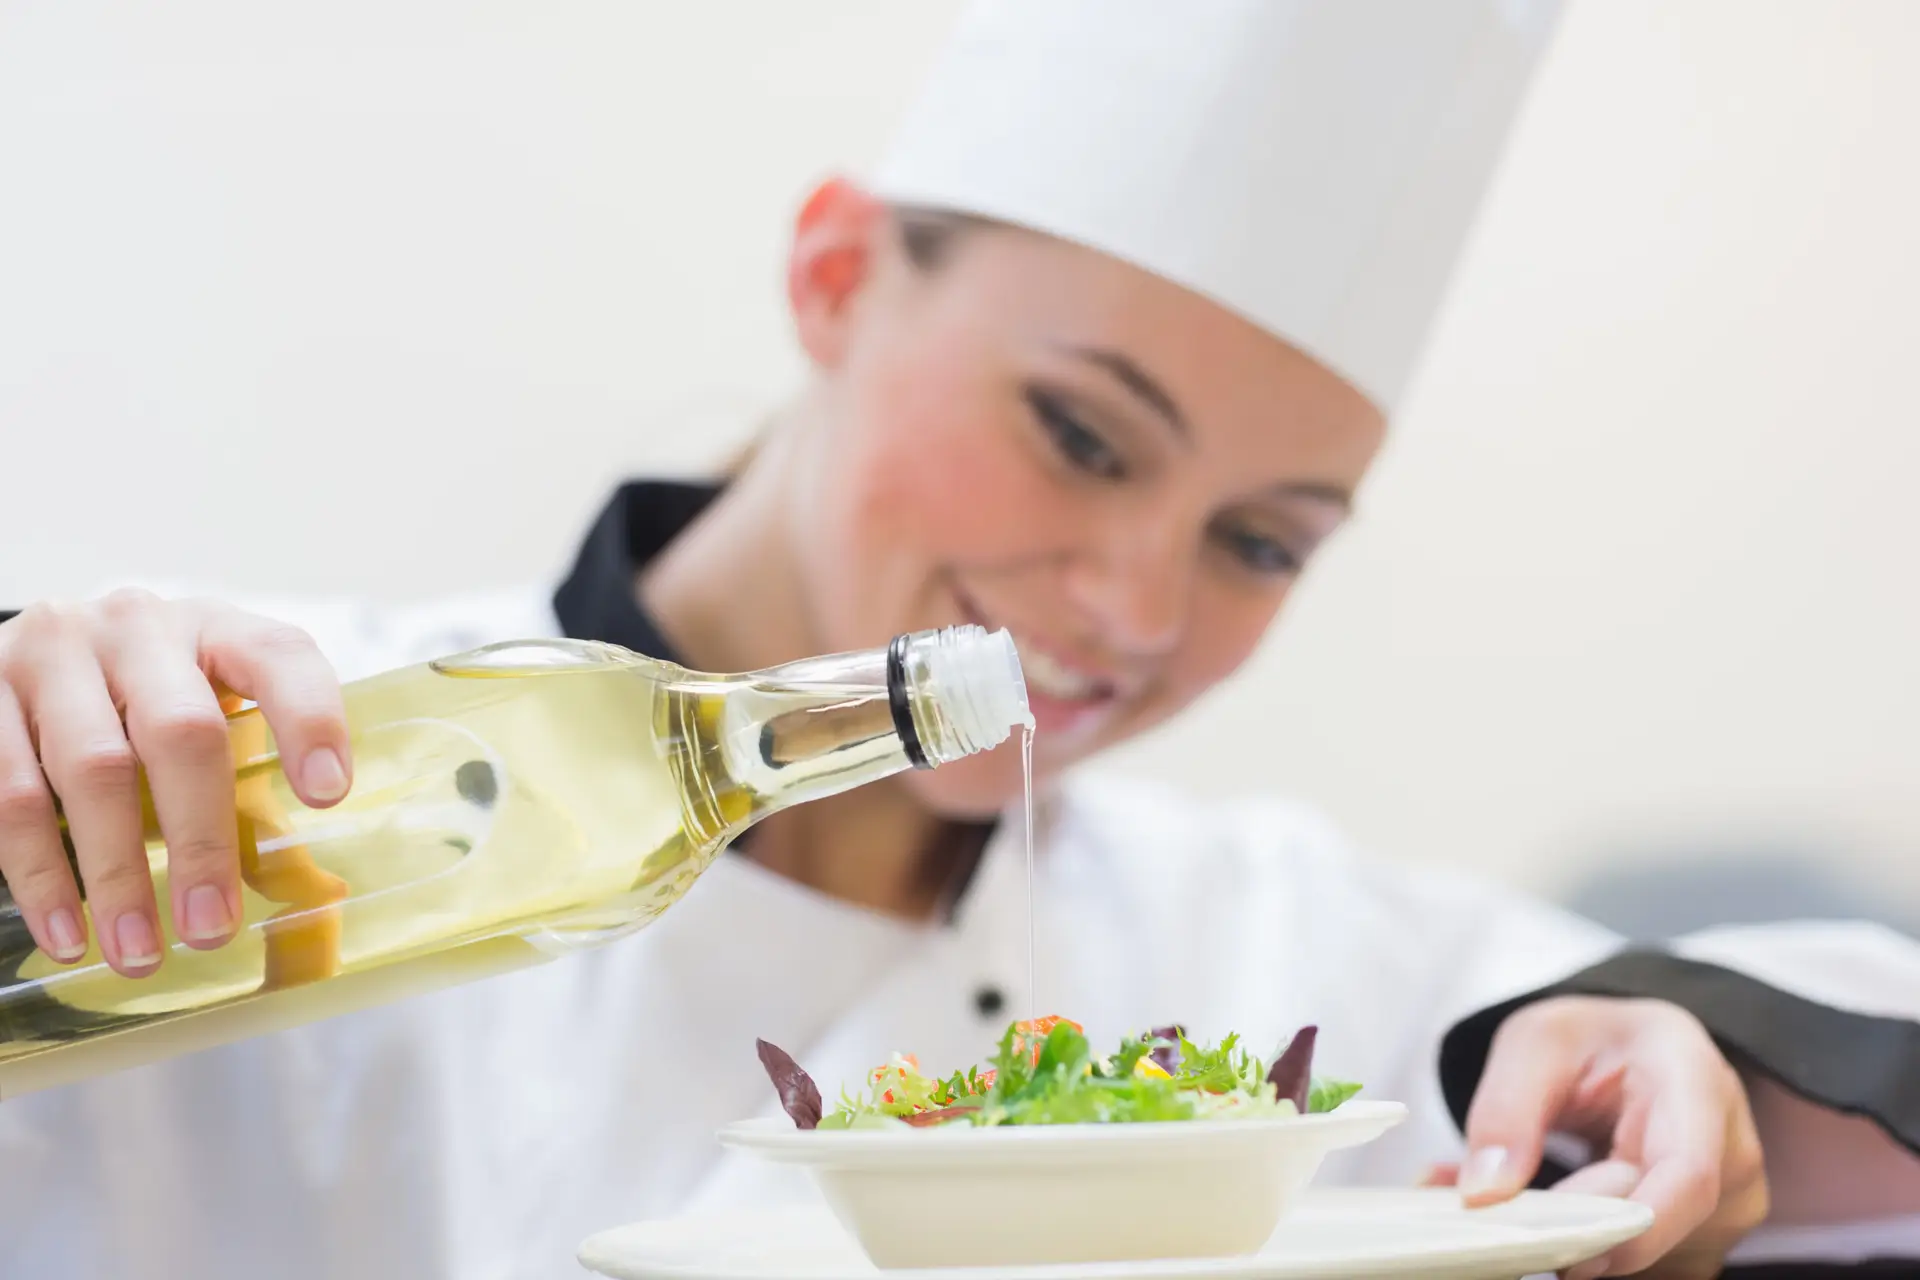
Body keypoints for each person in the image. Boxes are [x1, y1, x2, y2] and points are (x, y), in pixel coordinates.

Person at [1, 2, 1915, 1277]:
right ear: (835, 275)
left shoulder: (1253, 957)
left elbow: (1835, 1043)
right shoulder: (275, 789)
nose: (1135, 610)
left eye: (1262, 541)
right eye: (1080, 435)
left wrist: (1685, 1057)